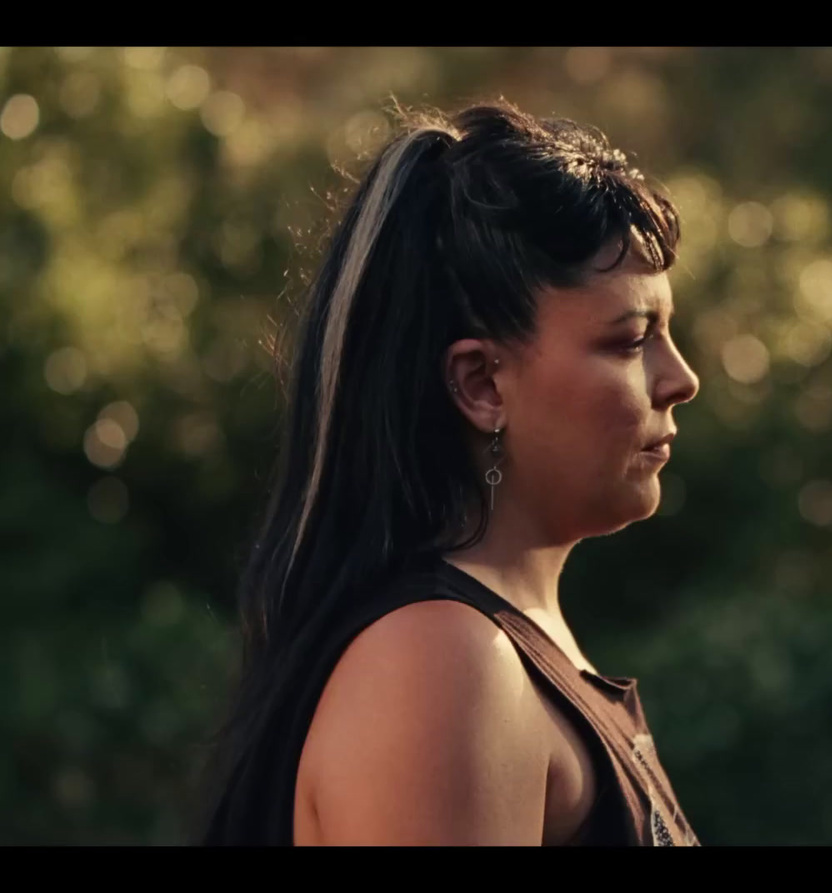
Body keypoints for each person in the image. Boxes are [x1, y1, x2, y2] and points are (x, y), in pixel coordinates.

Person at [196, 99, 702, 845]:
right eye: (631, 340)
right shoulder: (445, 665)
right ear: (481, 384)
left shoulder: (499, 648)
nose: (681, 377)